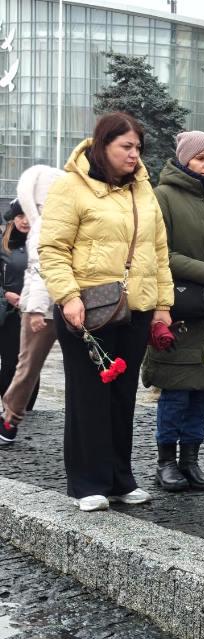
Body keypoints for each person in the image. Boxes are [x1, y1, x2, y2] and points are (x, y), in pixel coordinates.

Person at [39, 112, 174, 512]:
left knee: (122, 395)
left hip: (135, 308)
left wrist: (162, 306)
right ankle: (87, 482)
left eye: (138, 148)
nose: (134, 155)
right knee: (88, 396)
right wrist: (67, 296)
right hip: (87, 309)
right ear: (103, 146)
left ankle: (119, 478)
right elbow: (52, 249)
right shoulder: (71, 187)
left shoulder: (143, 191)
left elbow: (159, 253)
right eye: (125, 147)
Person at [142, 131, 204, 492]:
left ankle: (190, 461)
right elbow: (158, 255)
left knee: (202, 389)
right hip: (177, 307)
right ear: (184, 160)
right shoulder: (162, 197)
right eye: (200, 158)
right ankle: (165, 462)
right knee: (176, 388)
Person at [0, 166, 64, 443]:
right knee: (19, 365)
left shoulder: (51, 232)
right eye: (21, 215)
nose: (25, 220)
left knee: (23, 362)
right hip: (20, 307)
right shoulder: (12, 243)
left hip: (42, 306)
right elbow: (34, 270)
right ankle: (9, 414)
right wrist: (15, 299)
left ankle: (18, 410)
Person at [0, 200, 29, 398]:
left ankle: (28, 410)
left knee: (31, 363)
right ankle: (8, 405)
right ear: (13, 219)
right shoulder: (3, 245)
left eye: (29, 216)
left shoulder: (42, 243)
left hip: (34, 312)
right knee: (10, 363)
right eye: (20, 216)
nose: (25, 221)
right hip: (8, 314)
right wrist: (5, 295)